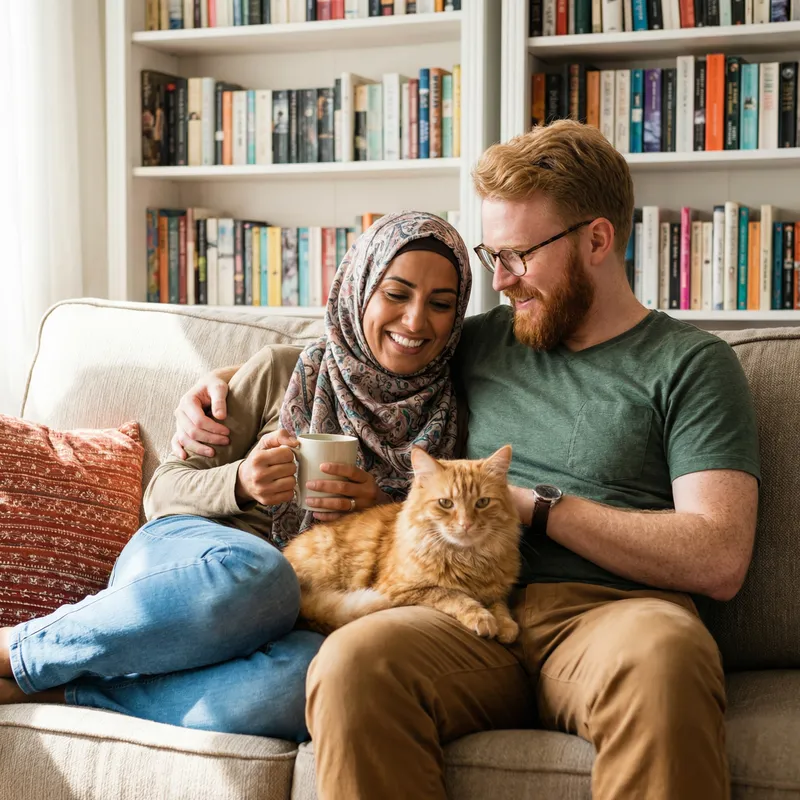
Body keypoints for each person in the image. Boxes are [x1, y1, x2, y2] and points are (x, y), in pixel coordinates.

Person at [173, 120, 760, 800]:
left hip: (612, 618)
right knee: (355, 661)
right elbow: (358, 348)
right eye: (492, 256)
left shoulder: (691, 366)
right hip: (464, 611)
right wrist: (226, 388)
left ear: (597, 240)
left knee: (668, 654)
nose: (502, 281)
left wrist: (536, 507)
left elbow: (718, 557)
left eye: (519, 256)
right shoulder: (479, 342)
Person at [0, 211, 472, 745]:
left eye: (440, 304)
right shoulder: (283, 369)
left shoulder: (451, 419)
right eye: (396, 293)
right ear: (359, 288)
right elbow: (163, 491)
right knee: (265, 576)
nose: (415, 321)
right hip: (194, 560)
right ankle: (21, 648)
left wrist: (384, 510)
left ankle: (74, 693)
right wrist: (241, 481)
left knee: (314, 679)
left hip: (302, 609)